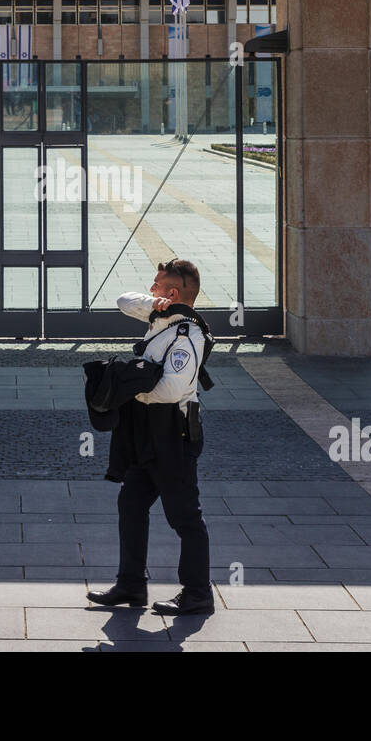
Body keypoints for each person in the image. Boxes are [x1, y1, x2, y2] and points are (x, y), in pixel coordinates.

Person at [88, 258, 214, 616]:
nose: (151, 288)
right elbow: (123, 300)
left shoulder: (187, 335)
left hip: (174, 431)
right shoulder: (161, 317)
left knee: (184, 515)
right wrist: (156, 303)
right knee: (130, 503)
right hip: (146, 429)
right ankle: (131, 584)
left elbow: (172, 389)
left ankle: (197, 594)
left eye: (157, 285)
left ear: (173, 291)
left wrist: (130, 389)